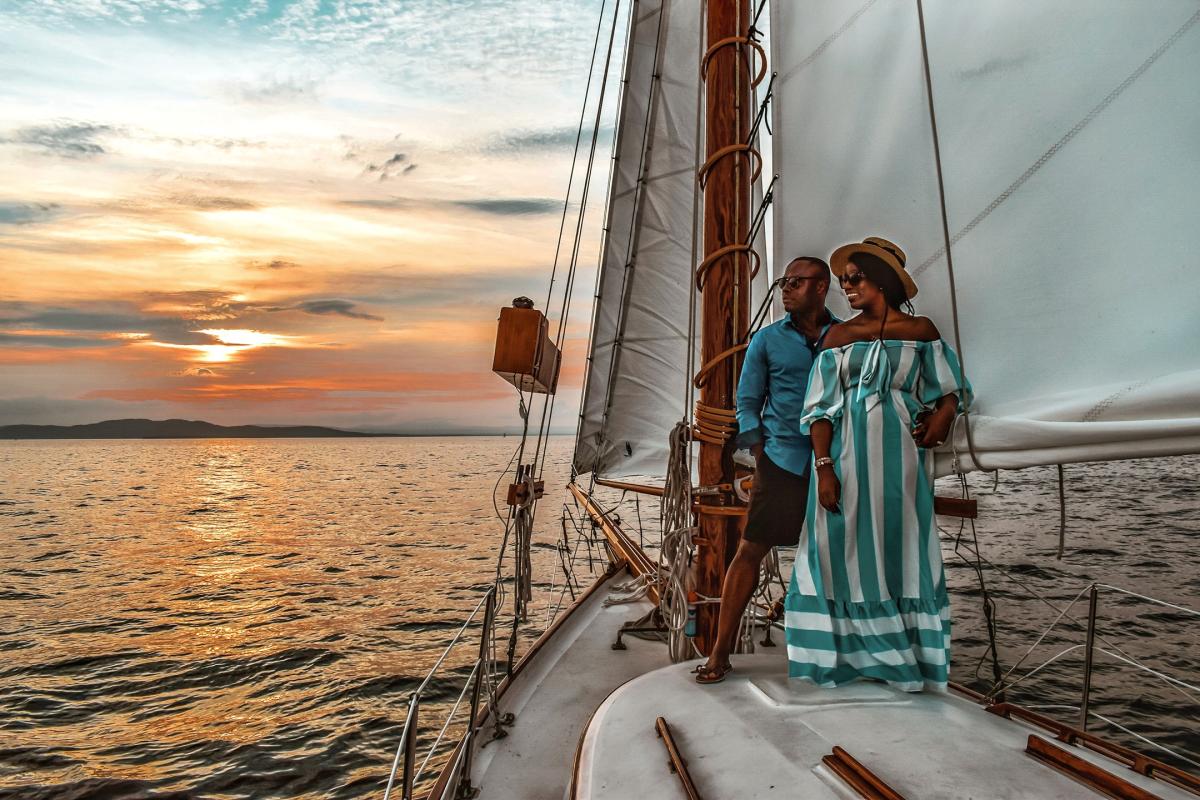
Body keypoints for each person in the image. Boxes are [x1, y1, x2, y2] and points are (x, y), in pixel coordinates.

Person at [784, 236, 971, 692]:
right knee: (834, 551)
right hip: (843, 461)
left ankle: (902, 658)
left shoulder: (922, 332)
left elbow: (951, 387)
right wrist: (824, 467)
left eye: (855, 278)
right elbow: (819, 409)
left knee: (901, 547)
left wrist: (944, 414)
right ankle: (841, 658)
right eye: (843, 280)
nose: (846, 286)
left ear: (882, 281)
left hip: (902, 461)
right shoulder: (837, 337)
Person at [695, 256, 837, 684]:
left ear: (820, 287)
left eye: (795, 282)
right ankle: (720, 652)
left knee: (838, 556)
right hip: (782, 460)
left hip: (837, 462)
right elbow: (748, 402)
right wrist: (760, 453)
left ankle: (840, 652)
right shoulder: (767, 340)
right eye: (782, 282)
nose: (785, 289)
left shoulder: (846, 337)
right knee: (750, 551)